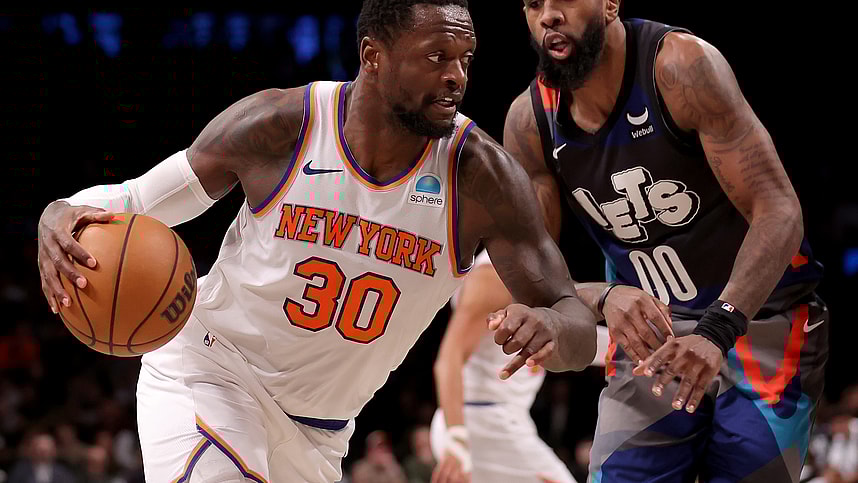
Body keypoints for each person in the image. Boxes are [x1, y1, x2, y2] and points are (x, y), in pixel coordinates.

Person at [31, 1, 640, 481]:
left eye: (465, 58)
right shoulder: (281, 125)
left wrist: (553, 328)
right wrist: (56, 215)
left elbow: (568, 317)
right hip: (211, 371)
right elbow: (133, 200)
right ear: (373, 55)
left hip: (321, 431)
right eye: (436, 57)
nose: (456, 76)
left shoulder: (482, 177)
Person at [507, 1, 828, 481]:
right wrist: (605, 296)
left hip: (762, 320)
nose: (548, 15)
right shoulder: (530, 122)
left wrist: (718, 328)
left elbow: (780, 211)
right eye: (534, 4)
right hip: (652, 338)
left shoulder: (679, 67)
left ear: (610, 4)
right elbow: (539, 283)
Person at [429, 250, 612, 483]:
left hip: (503, 419)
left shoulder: (534, 264)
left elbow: (573, 333)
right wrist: (457, 436)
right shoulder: (493, 276)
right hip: (479, 420)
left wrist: (633, 345)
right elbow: (449, 358)